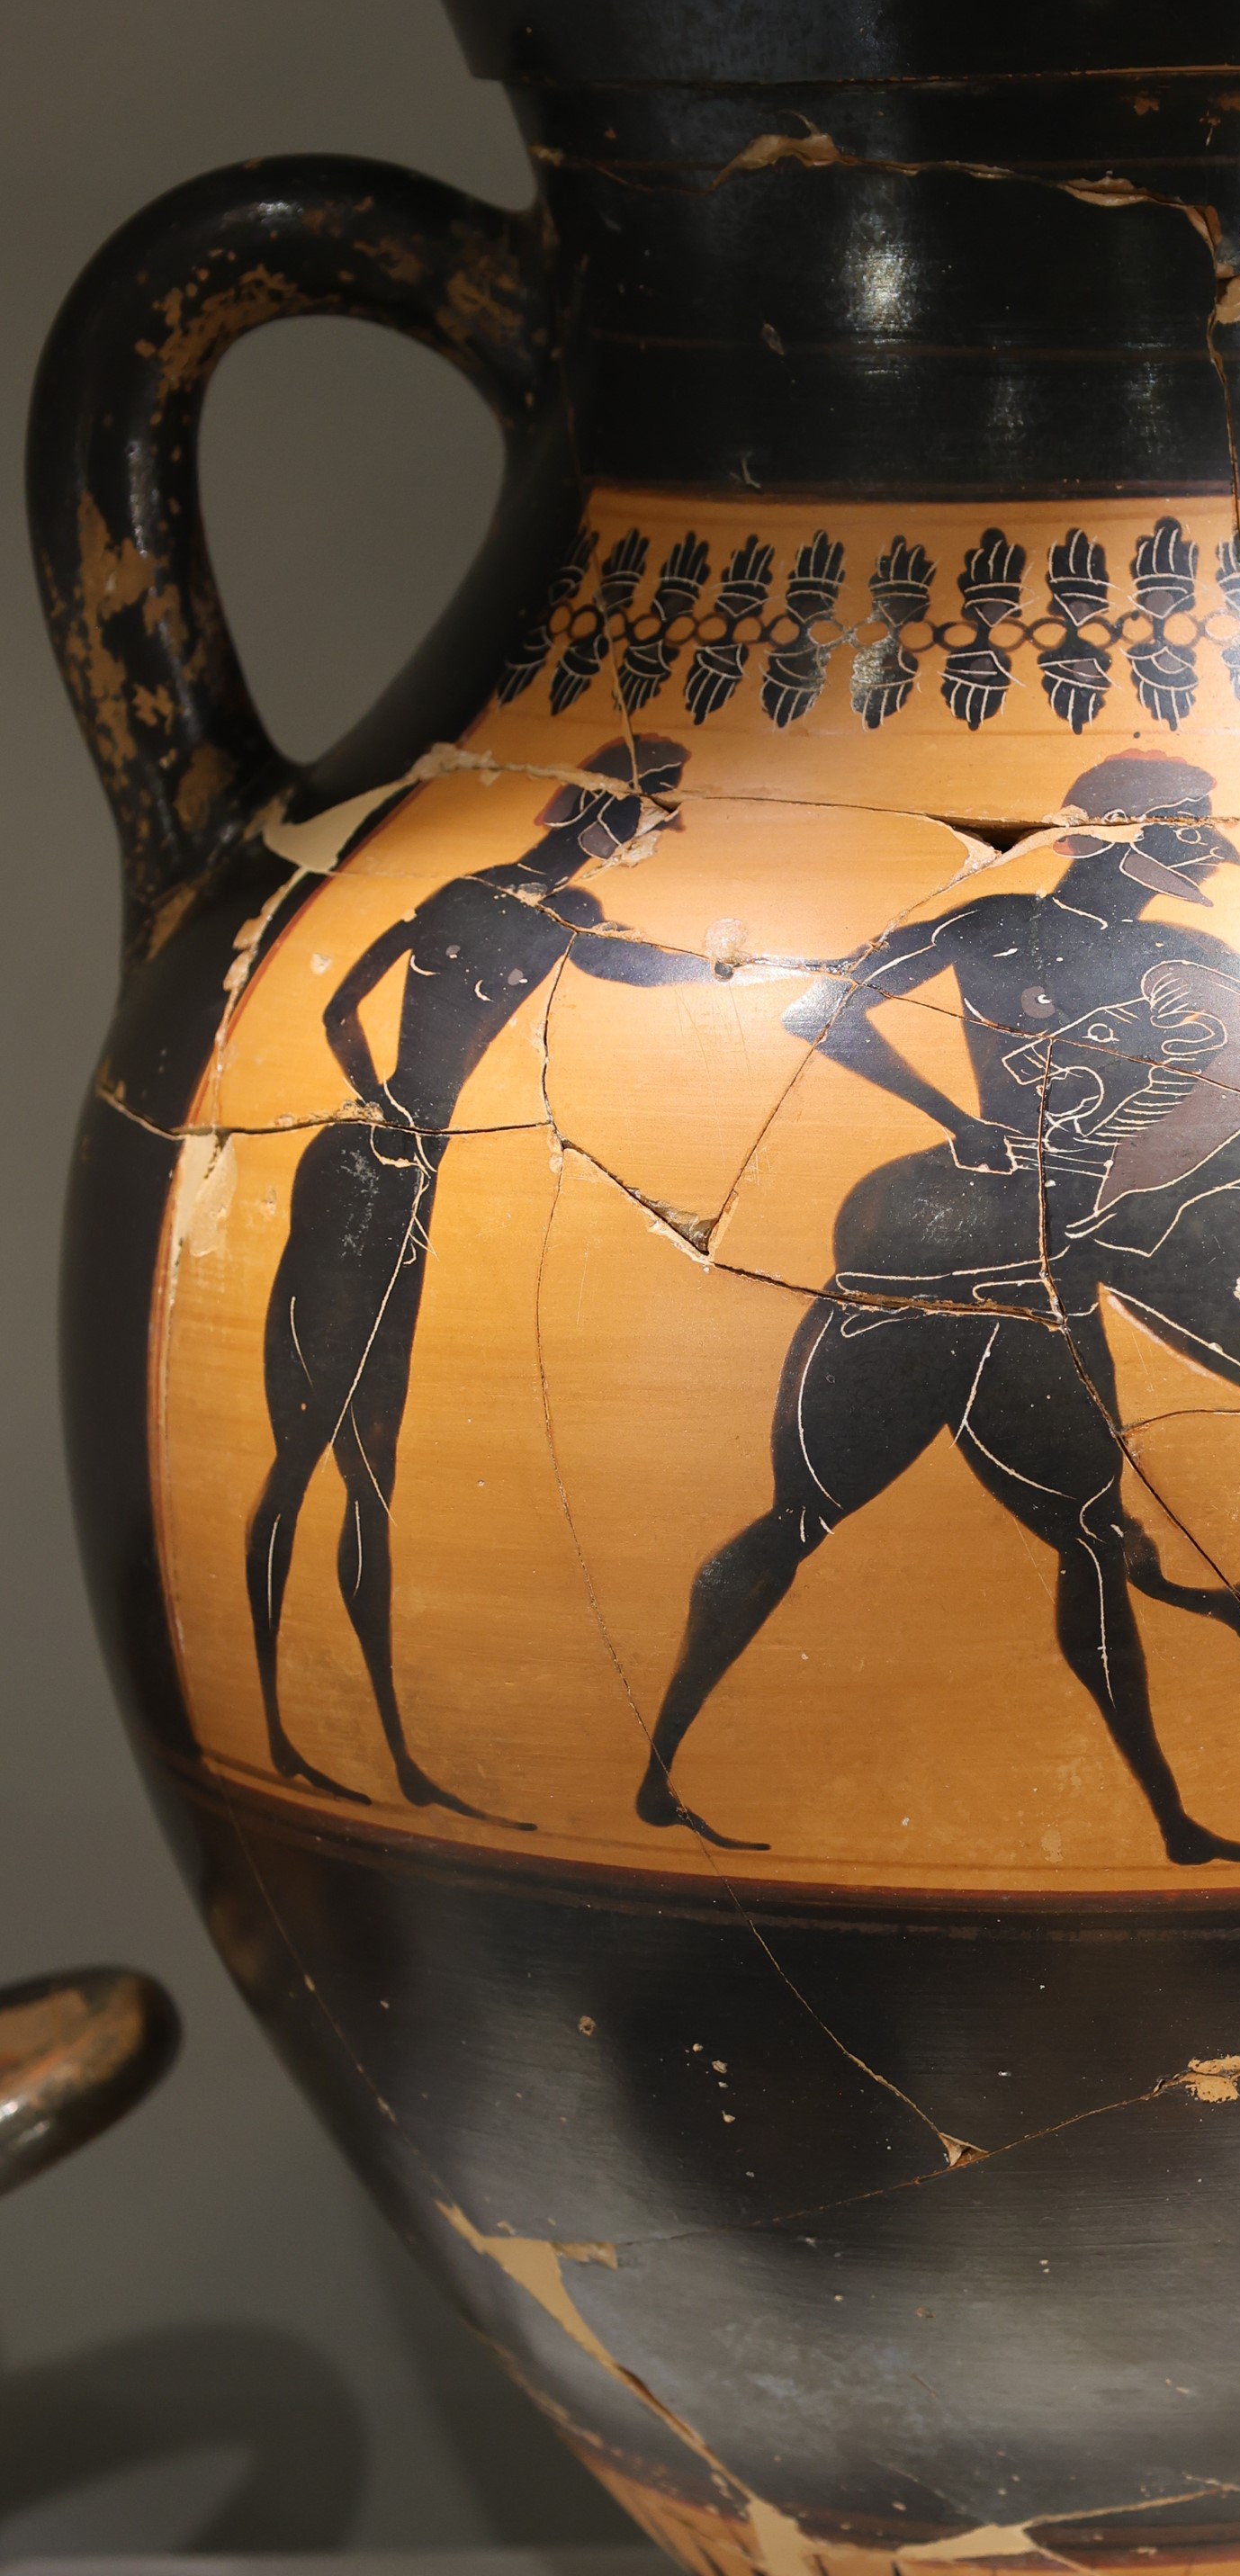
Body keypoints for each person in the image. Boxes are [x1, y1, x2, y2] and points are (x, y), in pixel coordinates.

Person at [638, 752, 1240, 1866]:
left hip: (1049, 1263)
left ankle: (1172, 1828)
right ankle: (654, 1776)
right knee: (812, 1518)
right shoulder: (997, 925)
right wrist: (956, 1116)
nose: (1201, 852)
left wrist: (1178, 1177)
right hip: (956, 1250)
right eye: (1184, 828)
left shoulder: (1188, 959)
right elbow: (815, 1003)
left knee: (1082, 1538)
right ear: (1114, 834)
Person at [247, 737, 737, 1816]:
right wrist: (386, 1111)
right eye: (651, 806)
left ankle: (395, 1758)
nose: (660, 827)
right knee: (312, 1440)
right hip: (369, 1170)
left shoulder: (560, 916)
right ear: (599, 804)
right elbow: (337, 1013)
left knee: (371, 1464)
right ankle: (277, 1729)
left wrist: (732, 968)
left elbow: (623, 967)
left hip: (409, 1171)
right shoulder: (472, 892)